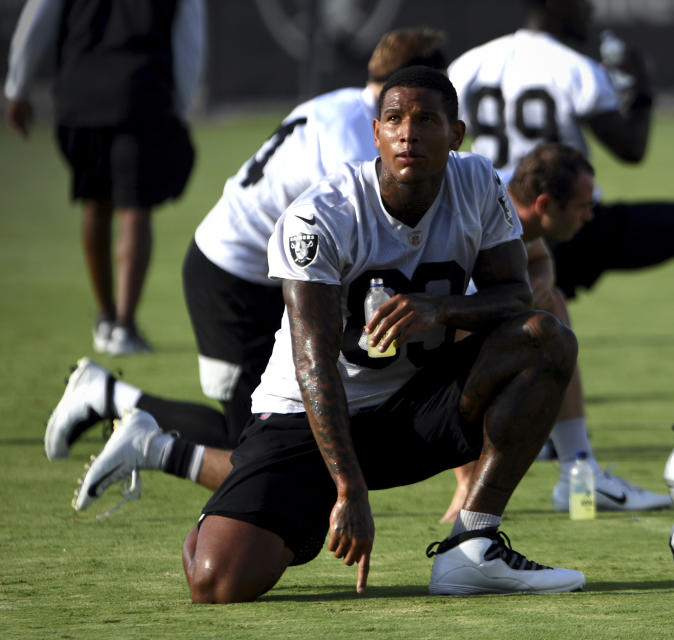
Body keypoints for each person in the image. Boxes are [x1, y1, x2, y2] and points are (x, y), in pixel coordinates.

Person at [79, 66, 587, 601]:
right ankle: (189, 467)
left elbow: (515, 296)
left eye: (426, 120)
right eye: (394, 119)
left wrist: (441, 308)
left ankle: (474, 544)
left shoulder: (478, 181)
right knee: (216, 581)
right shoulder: (321, 215)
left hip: (414, 404)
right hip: (309, 417)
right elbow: (314, 362)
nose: (407, 133)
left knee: (544, 337)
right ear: (375, 133)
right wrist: (348, 487)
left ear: (456, 134)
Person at [44, 28, 450, 470]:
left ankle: (113, 401)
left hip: (269, 272)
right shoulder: (354, 136)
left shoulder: (342, 110)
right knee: (259, 443)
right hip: (232, 276)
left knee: (289, 434)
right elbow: (350, 241)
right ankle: (113, 404)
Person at [447, 0, 674, 399]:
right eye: (582, 5)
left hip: (498, 225)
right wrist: (641, 90)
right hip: (574, 223)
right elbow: (630, 149)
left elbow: (448, 143)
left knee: (522, 312)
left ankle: (513, 406)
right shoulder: (573, 67)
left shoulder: (469, 64)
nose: (589, 12)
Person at [441, 143, 672, 523]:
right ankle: (469, 482)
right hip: (393, 356)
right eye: (583, 205)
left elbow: (541, 259)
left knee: (554, 303)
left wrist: (539, 287)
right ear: (546, 205)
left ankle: (579, 477)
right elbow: (455, 328)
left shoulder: (514, 217)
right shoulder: (484, 218)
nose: (589, 215)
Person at [4, 0, 204, 355]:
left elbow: (38, 18)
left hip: (80, 94)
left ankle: (106, 317)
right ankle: (124, 326)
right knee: (134, 208)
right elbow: (191, 38)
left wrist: (17, 87)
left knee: (94, 202)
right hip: (140, 90)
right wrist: (180, 106)